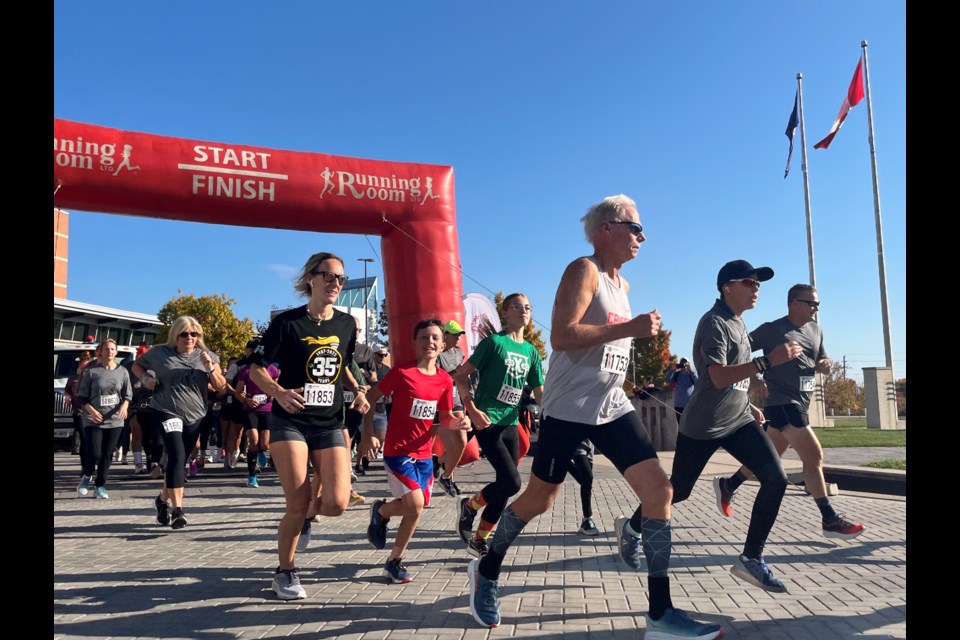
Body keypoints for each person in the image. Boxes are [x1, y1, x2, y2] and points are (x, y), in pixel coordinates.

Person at [465, 195, 721, 640]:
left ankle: (660, 614)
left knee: (660, 490)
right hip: (568, 408)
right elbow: (562, 336)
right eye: (635, 228)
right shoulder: (583, 270)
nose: (643, 237)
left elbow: (610, 345)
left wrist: (633, 336)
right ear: (607, 228)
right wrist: (631, 328)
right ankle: (486, 570)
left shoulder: (623, 286)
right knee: (539, 500)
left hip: (611, 405)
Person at [667, 259, 801, 595]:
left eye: (758, 284)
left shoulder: (739, 323)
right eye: (749, 283)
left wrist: (748, 401)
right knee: (678, 492)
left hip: (738, 419)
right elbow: (716, 376)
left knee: (776, 479)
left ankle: (751, 559)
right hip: (704, 425)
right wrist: (768, 360)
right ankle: (634, 527)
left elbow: (734, 380)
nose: (756, 289)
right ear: (728, 287)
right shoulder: (715, 323)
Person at [247, 251, 370, 600]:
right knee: (296, 503)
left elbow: (343, 364)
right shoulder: (287, 323)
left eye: (340, 279)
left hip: (330, 421)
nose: (335, 283)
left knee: (337, 503)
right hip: (290, 421)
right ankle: (285, 571)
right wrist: (278, 391)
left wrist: (358, 389)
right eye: (328, 276)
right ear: (310, 280)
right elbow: (256, 368)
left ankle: (309, 517)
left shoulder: (346, 324)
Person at [715, 283, 865, 539]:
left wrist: (824, 365)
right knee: (814, 456)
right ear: (794, 304)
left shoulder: (816, 330)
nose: (816, 308)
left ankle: (729, 485)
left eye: (817, 304)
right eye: (811, 303)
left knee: (768, 457)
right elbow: (738, 351)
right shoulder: (773, 329)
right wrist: (754, 379)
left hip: (801, 400)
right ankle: (829, 518)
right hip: (782, 402)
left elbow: (822, 358)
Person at [358, 318, 472, 583]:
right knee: (415, 504)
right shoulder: (401, 372)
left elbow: (443, 419)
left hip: (424, 453)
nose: (430, 342)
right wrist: (368, 434)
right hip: (398, 451)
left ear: (443, 344)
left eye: (435, 338)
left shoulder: (444, 380)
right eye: (424, 337)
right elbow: (371, 399)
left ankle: (393, 556)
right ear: (414, 343)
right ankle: (383, 515)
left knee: (415, 510)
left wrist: (459, 421)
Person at [454, 293, 545, 559]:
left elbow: (539, 389)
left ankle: (479, 539)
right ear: (505, 312)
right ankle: (470, 506)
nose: (524, 311)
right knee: (512, 482)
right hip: (488, 419)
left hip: (510, 421)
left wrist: (552, 410)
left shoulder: (531, 352)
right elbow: (461, 376)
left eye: (528, 307)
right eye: (517, 306)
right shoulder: (494, 343)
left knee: (505, 485)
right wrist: (472, 409)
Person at [132, 316, 227, 530]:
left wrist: (210, 368)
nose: (190, 338)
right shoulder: (159, 353)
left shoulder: (207, 356)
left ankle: (161, 500)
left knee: (180, 460)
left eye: (194, 334)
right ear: (176, 335)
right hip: (166, 410)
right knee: (176, 454)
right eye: (185, 334)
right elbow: (137, 366)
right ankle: (178, 510)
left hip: (196, 414)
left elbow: (221, 386)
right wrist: (146, 379)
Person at [76, 339, 133, 499]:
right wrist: (92, 411)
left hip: (115, 419)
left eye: (112, 349)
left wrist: (124, 406)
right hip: (94, 418)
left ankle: (100, 485)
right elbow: (82, 396)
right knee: (95, 454)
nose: (109, 352)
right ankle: (86, 477)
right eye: (106, 349)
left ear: (116, 352)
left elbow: (127, 395)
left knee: (108, 454)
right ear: (100, 352)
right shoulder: (91, 371)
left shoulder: (122, 371)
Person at [433, 319, 469, 496]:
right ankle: (448, 478)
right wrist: (456, 374)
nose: (458, 337)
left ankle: (441, 468)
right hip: (441, 403)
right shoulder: (438, 354)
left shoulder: (459, 353)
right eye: (455, 334)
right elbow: (437, 377)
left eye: (459, 334)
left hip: (456, 401)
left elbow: (462, 375)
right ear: (445, 335)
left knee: (461, 443)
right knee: (453, 445)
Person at [235, 344, 279, 488]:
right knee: (253, 439)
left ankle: (261, 451)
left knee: (265, 444)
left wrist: (273, 394)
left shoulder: (272, 369)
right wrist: (246, 399)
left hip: (267, 409)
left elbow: (276, 385)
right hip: (250, 409)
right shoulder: (246, 370)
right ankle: (252, 475)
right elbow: (238, 392)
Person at [569, 438, 599, 536]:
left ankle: (585, 521)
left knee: (586, 482)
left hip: (589, 442)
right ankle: (587, 518)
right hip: (576, 439)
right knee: (587, 478)